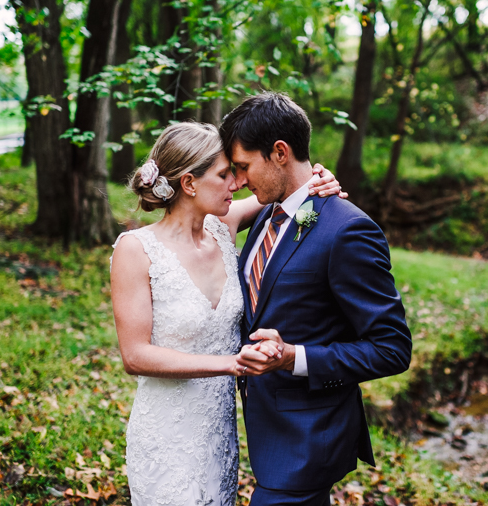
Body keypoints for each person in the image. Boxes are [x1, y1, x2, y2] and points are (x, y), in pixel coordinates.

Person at [109, 121, 344, 506]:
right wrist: (231, 363)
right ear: (189, 184)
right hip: (168, 433)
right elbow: (135, 356)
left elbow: (289, 187)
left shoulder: (223, 227)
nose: (236, 184)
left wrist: (322, 178)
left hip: (219, 433)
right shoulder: (135, 250)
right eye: (224, 175)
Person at [220, 92, 413, 506]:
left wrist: (294, 357)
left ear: (279, 153)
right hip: (265, 433)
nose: (237, 183)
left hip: (307, 442)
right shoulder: (266, 214)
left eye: (242, 167)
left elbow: (393, 349)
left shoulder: (348, 231)